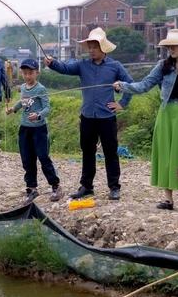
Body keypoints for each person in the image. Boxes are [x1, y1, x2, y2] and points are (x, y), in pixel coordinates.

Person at [114, 29, 178, 210]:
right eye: (168, 46)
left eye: (174, 45)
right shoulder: (163, 66)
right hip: (166, 114)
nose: (171, 48)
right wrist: (123, 86)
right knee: (166, 153)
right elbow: (144, 85)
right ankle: (168, 199)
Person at [45, 27, 133, 201]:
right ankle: (86, 186)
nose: (91, 50)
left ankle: (114, 187)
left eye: (95, 46)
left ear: (103, 48)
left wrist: (122, 103)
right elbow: (65, 68)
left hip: (107, 117)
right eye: (90, 46)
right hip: (87, 117)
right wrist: (52, 63)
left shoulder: (115, 66)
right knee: (87, 152)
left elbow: (130, 84)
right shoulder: (82, 65)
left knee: (110, 152)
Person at [6, 59, 62, 203]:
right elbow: (23, 101)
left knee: (43, 157)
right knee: (27, 159)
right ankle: (32, 189)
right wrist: (14, 108)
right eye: (24, 73)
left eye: (30, 73)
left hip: (39, 129)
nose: (27, 76)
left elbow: (47, 108)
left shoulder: (41, 89)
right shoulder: (24, 87)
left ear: (37, 73)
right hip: (25, 129)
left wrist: (38, 115)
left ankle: (55, 186)